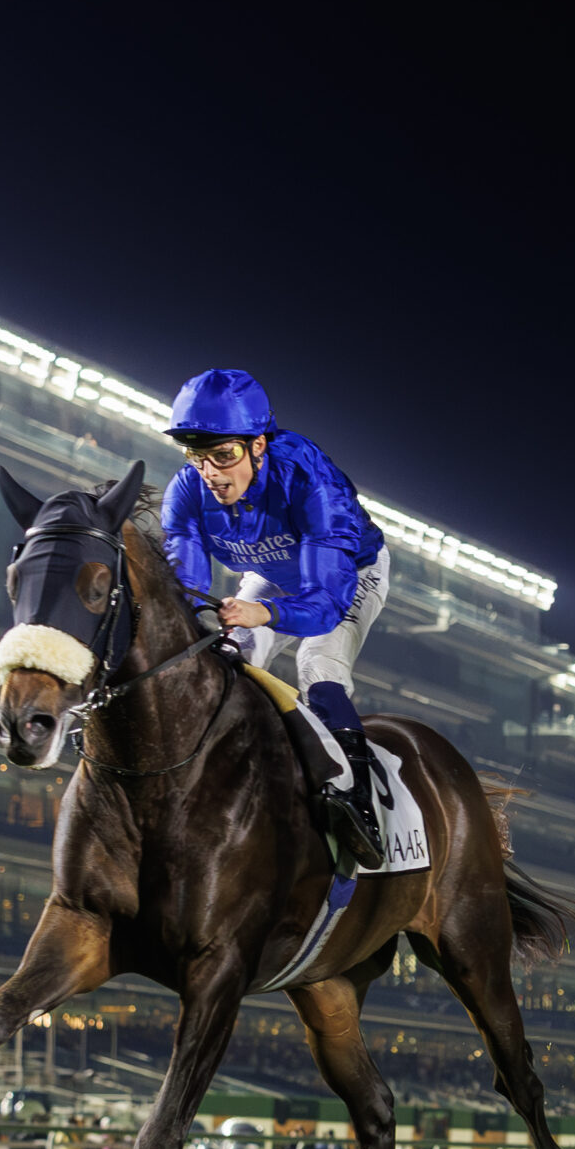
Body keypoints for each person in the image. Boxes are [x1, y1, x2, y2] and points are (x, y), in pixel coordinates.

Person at [161, 367, 391, 870]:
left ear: (259, 445)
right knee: (220, 658)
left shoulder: (310, 481)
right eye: (198, 456)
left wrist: (264, 611)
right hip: (268, 573)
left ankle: (359, 806)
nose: (212, 474)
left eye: (224, 455)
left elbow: (325, 603)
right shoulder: (186, 492)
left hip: (345, 574)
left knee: (319, 671)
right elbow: (187, 592)